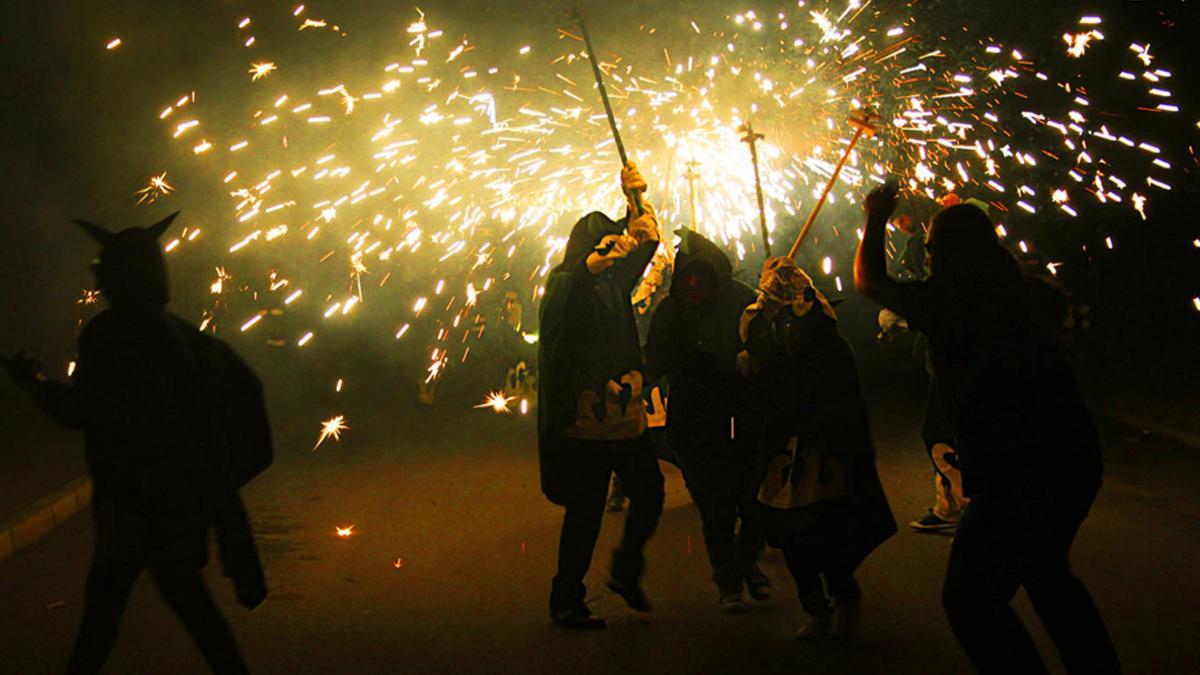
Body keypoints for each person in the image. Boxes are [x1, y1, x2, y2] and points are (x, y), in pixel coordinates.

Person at [855, 183, 1120, 674]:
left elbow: (870, 281)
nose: (928, 257)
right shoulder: (1018, 292)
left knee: (969, 600)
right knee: (1046, 574)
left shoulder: (958, 300)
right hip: (1072, 459)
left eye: (934, 249)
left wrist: (874, 218)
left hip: (1019, 472)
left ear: (953, 254)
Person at [6, 212, 271, 674]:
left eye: (104, 268)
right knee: (186, 613)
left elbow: (77, 411)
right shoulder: (185, 337)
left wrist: (34, 384)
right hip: (179, 509)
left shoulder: (109, 334)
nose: (99, 275)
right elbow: (243, 403)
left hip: (133, 510)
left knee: (104, 623)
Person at [739, 256, 896, 640]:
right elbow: (764, 382)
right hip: (784, 455)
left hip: (823, 453)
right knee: (791, 535)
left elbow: (828, 397)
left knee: (823, 533)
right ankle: (815, 608)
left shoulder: (827, 342)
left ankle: (844, 599)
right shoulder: (772, 332)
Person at [537, 163, 666, 629]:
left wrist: (635, 197)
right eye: (601, 247)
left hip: (624, 416)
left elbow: (647, 242)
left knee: (650, 493)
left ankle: (626, 571)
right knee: (585, 512)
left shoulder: (613, 281)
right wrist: (583, 273)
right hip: (586, 421)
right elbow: (558, 323)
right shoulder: (564, 284)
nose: (610, 252)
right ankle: (566, 598)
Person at [643, 229, 770, 612]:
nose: (694, 283)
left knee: (754, 507)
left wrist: (755, 357)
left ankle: (748, 563)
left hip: (744, 421)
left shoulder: (746, 302)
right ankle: (728, 581)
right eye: (687, 276)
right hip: (694, 425)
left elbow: (773, 350)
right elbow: (655, 361)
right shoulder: (671, 310)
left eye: (701, 275)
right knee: (715, 510)